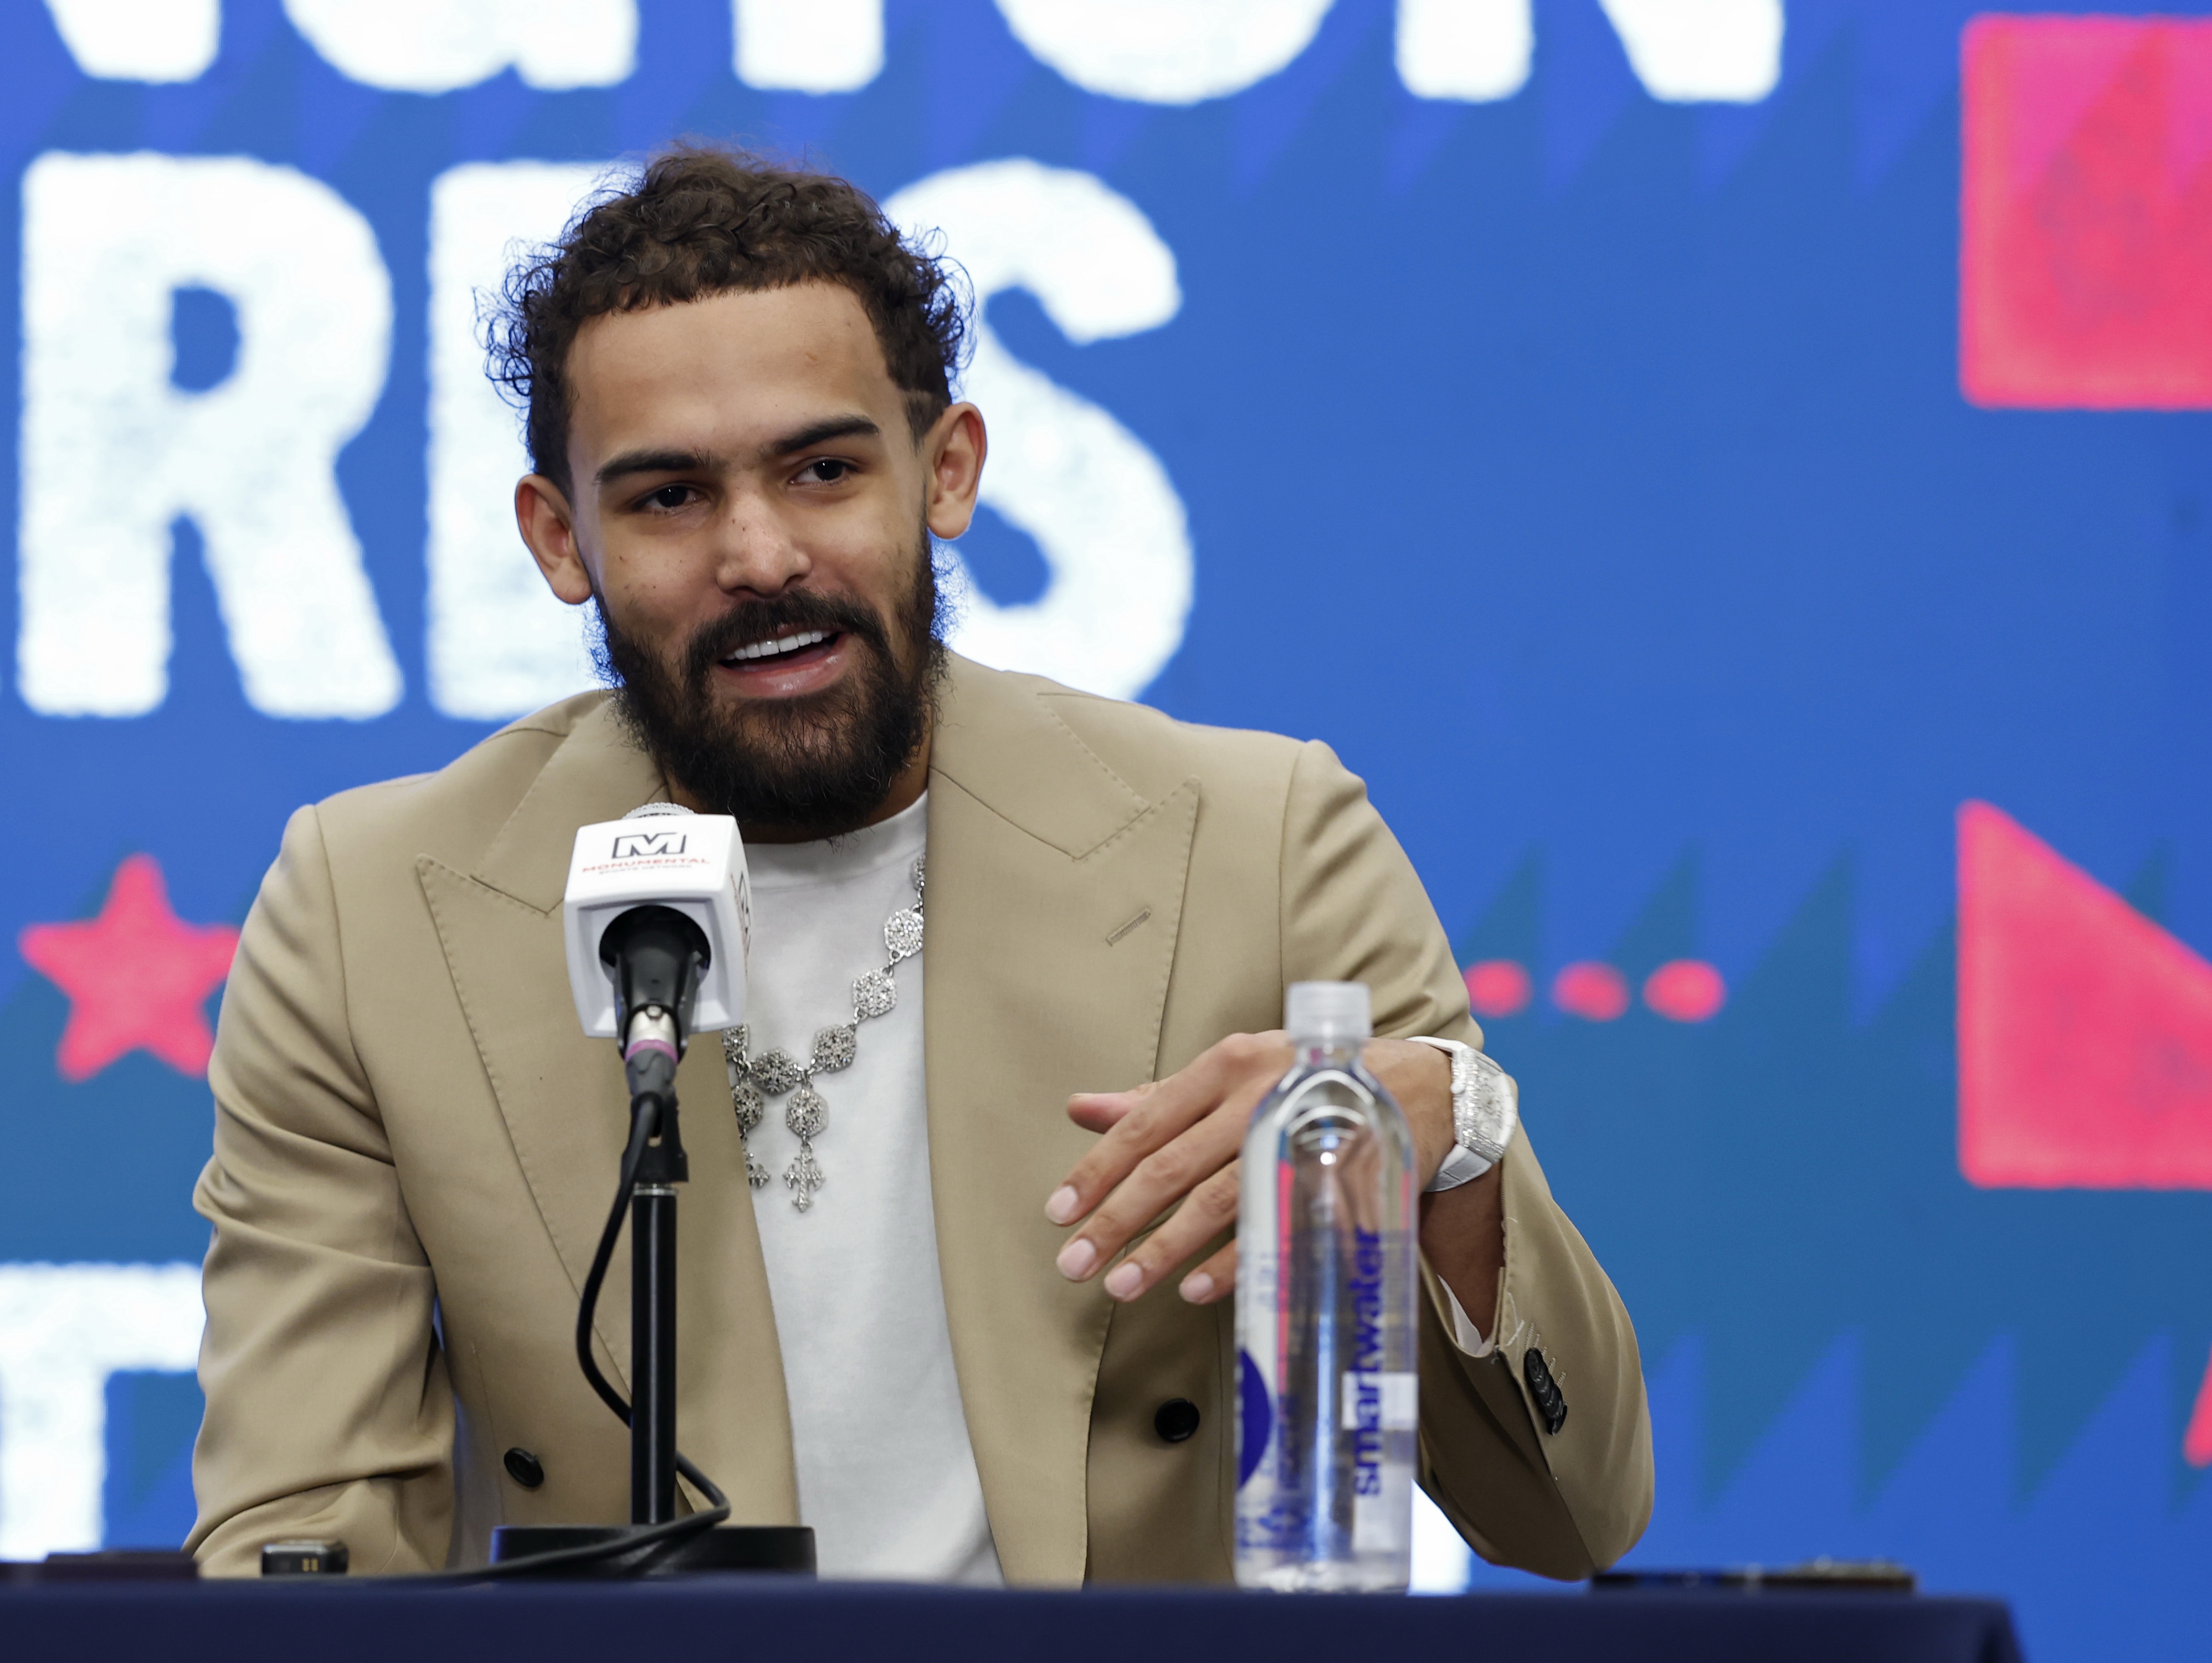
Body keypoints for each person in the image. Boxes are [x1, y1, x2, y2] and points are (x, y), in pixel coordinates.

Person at [185, 146, 1652, 1583]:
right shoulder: (372, 913)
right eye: (669, 497)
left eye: (823, 470)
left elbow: (1569, 1518)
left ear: (946, 472)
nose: (761, 555)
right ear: (560, 539)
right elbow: (297, 1540)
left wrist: (1452, 1134)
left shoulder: (1262, 844)